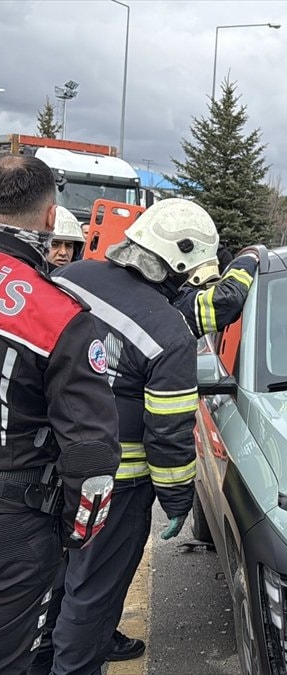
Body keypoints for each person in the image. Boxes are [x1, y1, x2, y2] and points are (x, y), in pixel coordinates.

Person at [40, 198, 219, 675]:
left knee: (51, 578)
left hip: (43, 465)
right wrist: (179, 500)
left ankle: (43, 661)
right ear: (181, 267)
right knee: (94, 593)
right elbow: (168, 435)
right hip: (113, 488)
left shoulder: (71, 279)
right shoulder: (171, 335)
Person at [0, 156, 120, 675]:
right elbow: (91, 455)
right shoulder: (59, 316)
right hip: (18, 515)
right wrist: (80, 533)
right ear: (51, 219)